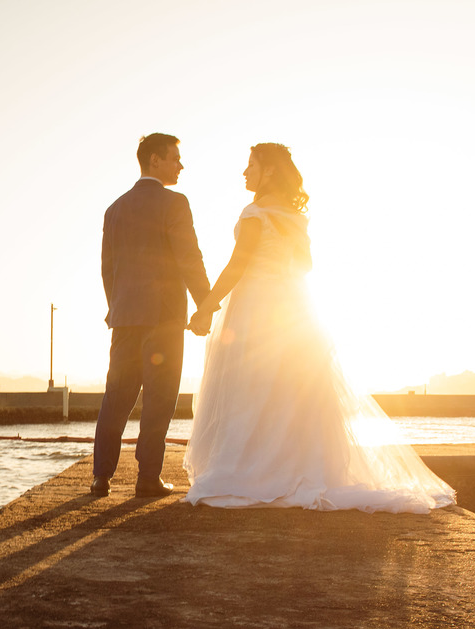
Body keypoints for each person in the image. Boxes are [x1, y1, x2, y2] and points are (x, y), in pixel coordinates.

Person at [184, 143, 455, 513]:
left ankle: (250, 470)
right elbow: (306, 265)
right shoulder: (296, 219)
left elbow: (237, 266)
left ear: (270, 171)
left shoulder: (254, 213)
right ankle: (295, 467)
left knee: (250, 388)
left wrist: (206, 308)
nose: (244, 173)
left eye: (250, 166)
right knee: (292, 393)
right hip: (294, 309)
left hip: (256, 309)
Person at [92, 133, 211, 498]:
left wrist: (119, 306)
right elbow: (189, 256)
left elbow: (107, 269)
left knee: (117, 397)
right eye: (175, 157)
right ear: (155, 160)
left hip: (125, 317)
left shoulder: (115, 209)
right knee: (159, 399)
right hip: (164, 316)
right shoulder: (174, 203)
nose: (181, 165)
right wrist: (204, 303)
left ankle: (101, 477)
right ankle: (147, 478)